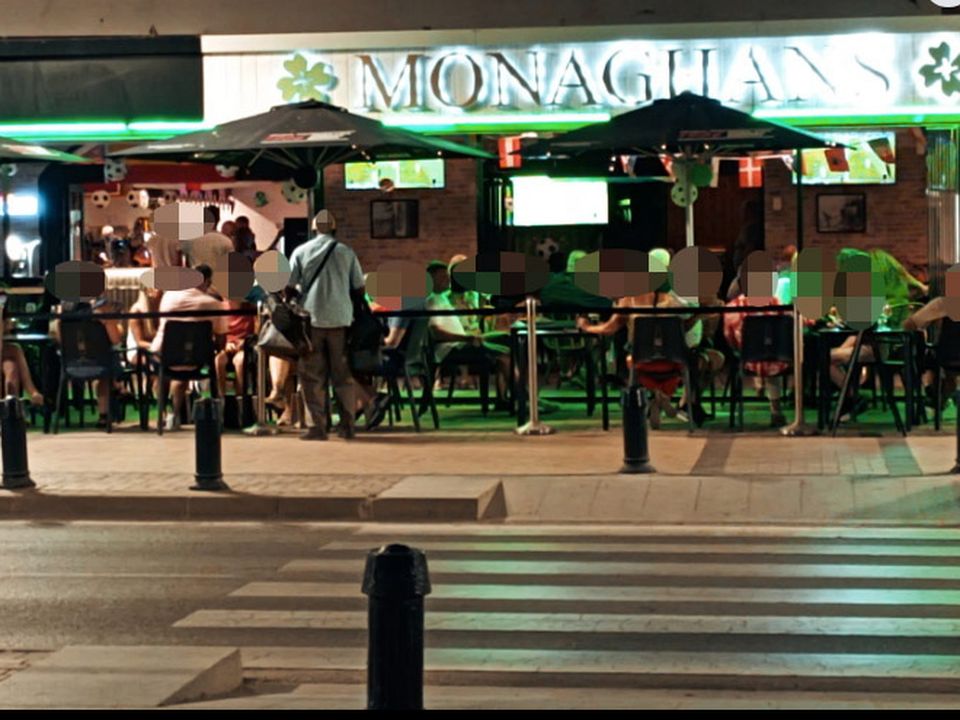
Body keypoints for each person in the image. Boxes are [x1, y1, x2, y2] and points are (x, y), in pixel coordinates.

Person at [577, 278, 697, 428]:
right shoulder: (673, 302)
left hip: (639, 361)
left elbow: (609, 329)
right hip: (673, 362)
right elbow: (688, 324)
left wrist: (586, 326)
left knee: (629, 359)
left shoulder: (628, 301)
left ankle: (656, 397)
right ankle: (662, 398)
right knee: (681, 363)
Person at [286, 209, 364, 440]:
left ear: (313, 228)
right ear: (334, 228)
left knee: (312, 375)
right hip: (341, 319)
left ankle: (318, 426)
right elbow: (359, 287)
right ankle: (347, 424)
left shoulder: (301, 251)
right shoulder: (346, 252)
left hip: (311, 320)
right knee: (342, 374)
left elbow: (289, 287)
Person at [150, 264, 228, 431]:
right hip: (196, 359)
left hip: (164, 357)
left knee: (171, 369)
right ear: (206, 281)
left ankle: (167, 415)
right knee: (186, 363)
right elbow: (221, 339)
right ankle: (177, 414)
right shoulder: (212, 303)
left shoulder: (168, 296)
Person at [425, 260, 511, 403]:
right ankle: (522, 398)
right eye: (442, 277)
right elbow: (436, 333)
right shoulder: (430, 301)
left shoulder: (440, 298)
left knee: (506, 339)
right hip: (453, 347)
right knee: (503, 355)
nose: (447, 280)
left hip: (464, 340)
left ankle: (511, 397)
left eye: (447, 276)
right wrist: (467, 339)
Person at [724, 255, 789, 428]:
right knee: (773, 361)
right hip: (777, 358)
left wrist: (739, 350)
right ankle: (776, 409)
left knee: (754, 356)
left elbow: (729, 336)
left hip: (747, 358)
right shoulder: (777, 302)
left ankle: (758, 387)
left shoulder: (734, 306)